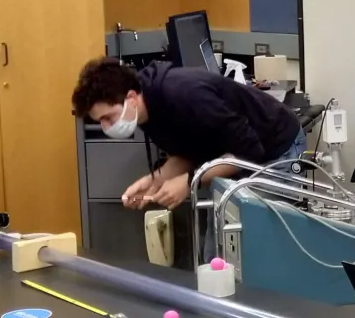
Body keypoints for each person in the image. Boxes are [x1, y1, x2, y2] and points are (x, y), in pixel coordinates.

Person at [70, 56, 303, 210]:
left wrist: (190, 181)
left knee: (253, 249)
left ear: (131, 98)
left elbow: (249, 152)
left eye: (108, 118)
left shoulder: (185, 95)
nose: (107, 127)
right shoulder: (144, 110)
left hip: (276, 148)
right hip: (237, 152)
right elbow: (188, 151)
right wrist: (154, 180)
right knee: (218, 253)